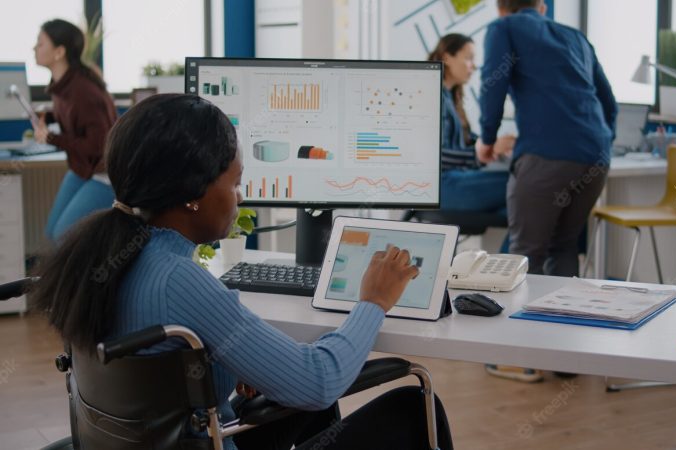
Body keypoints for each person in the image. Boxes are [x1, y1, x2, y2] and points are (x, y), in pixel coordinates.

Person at [30, 94, 453, 450]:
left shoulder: (99, 255)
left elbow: (154, 382)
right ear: (194, 194)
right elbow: (319, 381)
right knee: (415, 407)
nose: (240, 197)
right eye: (235, 183)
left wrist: (231, 370)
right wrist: (373, 302)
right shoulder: (177, 280)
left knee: (304, 396)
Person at [477, 0, 617, 383]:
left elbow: (493, 85)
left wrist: (486, 139)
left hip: (545, 157)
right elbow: (608, 102)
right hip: (594, 156)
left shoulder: (502, 30)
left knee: (526, 253)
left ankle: (524, 357)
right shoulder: (576, 37)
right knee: (564, 246)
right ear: (541, 6)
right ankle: (564, 359)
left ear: (499, 7)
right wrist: (599, 146)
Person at [33, 19, 117, 240]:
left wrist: (51, 138)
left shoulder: (82, 90)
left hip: (105, 173)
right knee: (52, 233)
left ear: (59, 52)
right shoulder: (63, 84)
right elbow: (71, 114)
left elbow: (97, 146)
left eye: (40, 43)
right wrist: (47, 117)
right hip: (83, 168)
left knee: (63, 237)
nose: (34, 48)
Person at [427, 33, 515, 214]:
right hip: (441, 186)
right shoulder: (433, 96)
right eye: (468, 58)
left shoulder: (450, 97)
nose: (473, 66)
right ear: (446, 58)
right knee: (525, 184)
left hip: (455, 179)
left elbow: (466, 140)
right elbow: (434, 157)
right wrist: (480, 155)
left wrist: (492, 145)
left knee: (520, 192)